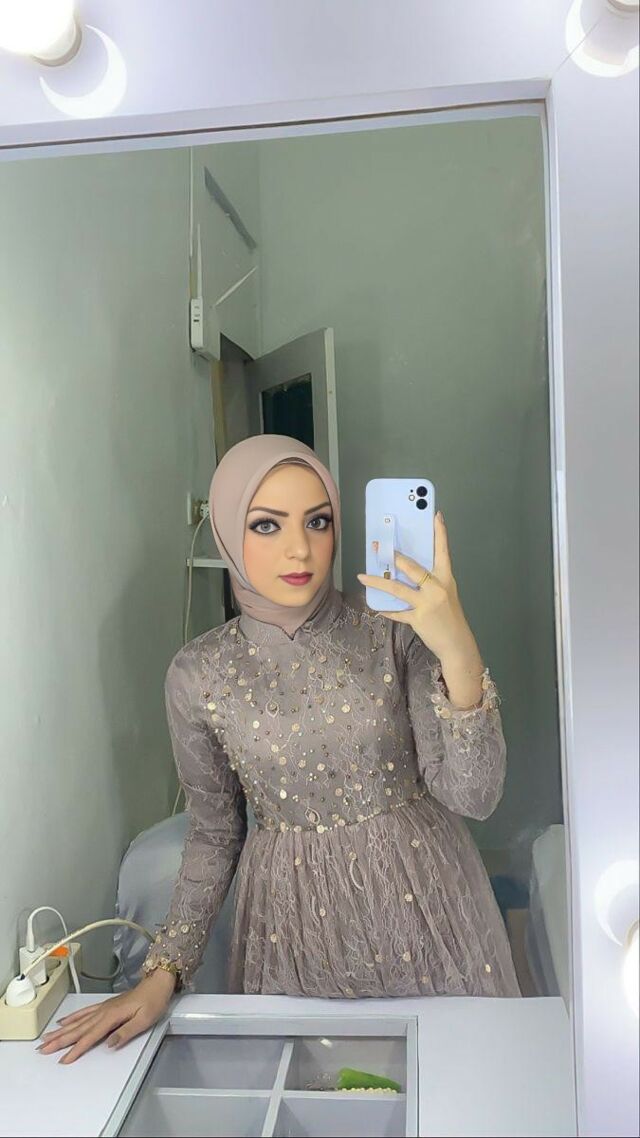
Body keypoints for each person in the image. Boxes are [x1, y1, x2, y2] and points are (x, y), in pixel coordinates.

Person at [39, 434, 520, 1063]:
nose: (299, 549)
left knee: (458, 1080)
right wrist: (163, 971)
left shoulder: (393, 631)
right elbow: (216, 835)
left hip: (426, 895)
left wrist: (456, 644)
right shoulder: (199, 673)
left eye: (317, 521)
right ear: (225, 531)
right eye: (266, 524)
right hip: (294, 921)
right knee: (318, 1089)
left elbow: (474, 795)